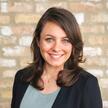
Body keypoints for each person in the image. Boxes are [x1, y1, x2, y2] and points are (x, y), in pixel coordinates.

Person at [11, 7, 103, 108]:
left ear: (73, 44)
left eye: (66, 40)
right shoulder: (21, 77)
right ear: (38, 41)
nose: (56, 48)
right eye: (49, 39)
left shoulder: (87, 84)